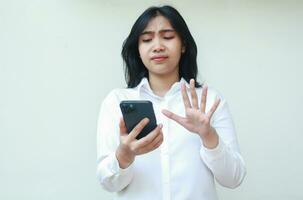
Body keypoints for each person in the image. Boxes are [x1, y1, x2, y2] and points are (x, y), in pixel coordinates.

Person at [96, 5, 246, 200]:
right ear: (138, 49)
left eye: (167, 37)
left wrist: (208, 135)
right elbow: (108, 183)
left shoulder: (209, 100)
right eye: (147, 39)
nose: (157, 46)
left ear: (183, 44)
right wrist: (124, 155)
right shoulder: (117, 101)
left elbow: (234, 178)